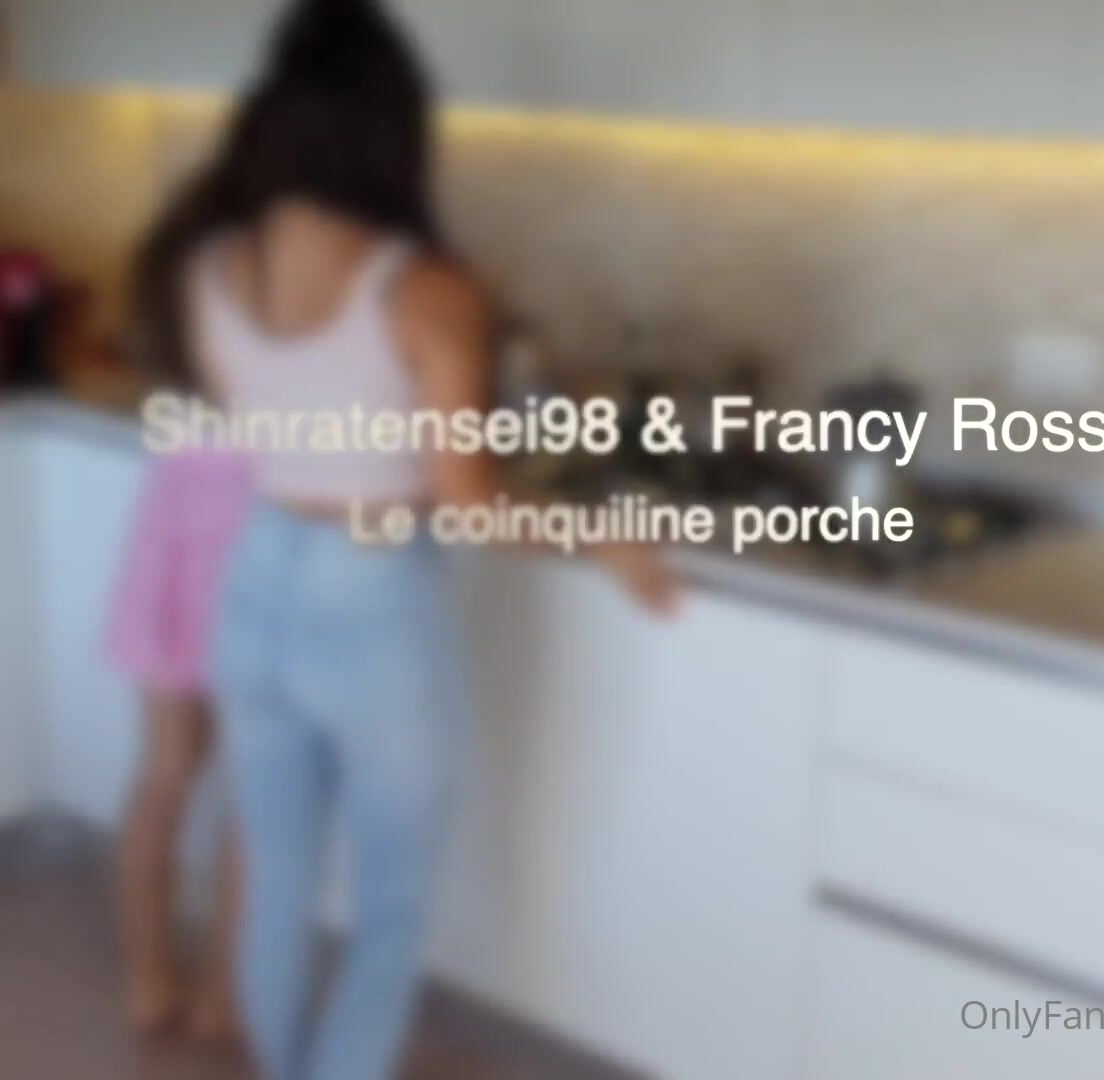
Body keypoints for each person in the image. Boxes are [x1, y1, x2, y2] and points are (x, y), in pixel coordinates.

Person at [127, 1, 677, 1077]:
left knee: (275, 886)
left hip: (256, 575)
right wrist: (606, 539)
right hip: (370, 597)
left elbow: (285, 424)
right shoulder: (426, 288)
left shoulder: (213, 263)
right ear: (393, 129)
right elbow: (469, 500)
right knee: (390, 906)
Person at [103, 447, 251, 1044]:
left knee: (164, 771)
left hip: (173, 536)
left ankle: (149, 982)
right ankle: (222, 996)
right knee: (258, 797)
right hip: (259, 548)